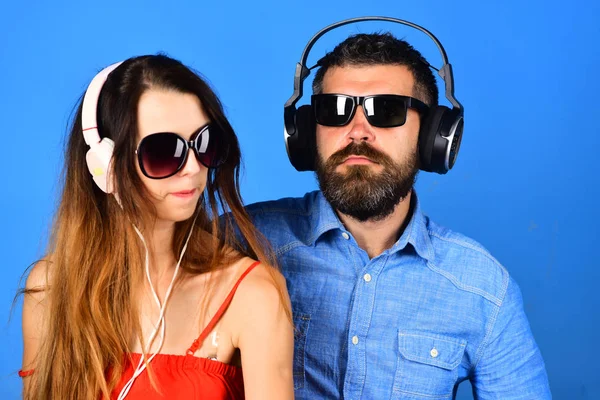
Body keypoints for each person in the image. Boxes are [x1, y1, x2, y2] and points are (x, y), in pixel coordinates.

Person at [245, 22, 552, 399]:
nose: (358, 131)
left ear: (434, 136)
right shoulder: (241, 242)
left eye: (385, 110)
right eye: (335, 109)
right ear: (306, 131)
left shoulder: (484, 289)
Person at [19, 54, 294, 400]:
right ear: (105, 166)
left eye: (205, 143)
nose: (193, 168)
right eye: (164, 150)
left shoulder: (253, 293)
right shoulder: (50, 288)